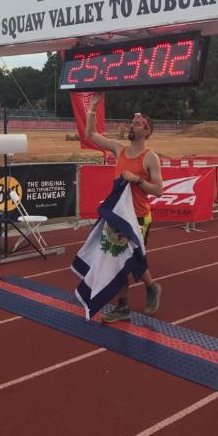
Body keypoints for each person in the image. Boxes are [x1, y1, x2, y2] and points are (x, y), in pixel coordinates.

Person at [85, 93, 163, 322]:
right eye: (132, 122)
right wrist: (92, 108)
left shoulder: (150, 158)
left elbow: (159, 190)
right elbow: (90, 135)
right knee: (117, 259)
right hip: (118, 216)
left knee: (131, 259)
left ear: (147, 131)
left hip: (138, 216)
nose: (132, 125)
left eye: (137, 124)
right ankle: (124, 306)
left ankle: (151, 286)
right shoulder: (119, 150)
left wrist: (137, 180)